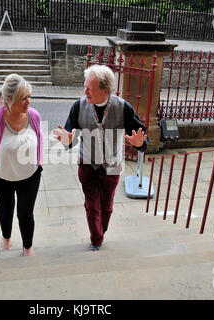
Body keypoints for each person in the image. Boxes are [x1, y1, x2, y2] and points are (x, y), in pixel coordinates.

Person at [54, 64, 148, 251]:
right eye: (85, 85)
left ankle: (100, 231)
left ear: (105, 90)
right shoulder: (78, 106)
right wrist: (67, 141)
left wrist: (139, 144)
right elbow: (69, 139)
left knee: (107, 207)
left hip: (112, 166)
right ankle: (96, 240)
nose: (85, 91)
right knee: (91, 206)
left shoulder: (123, 108)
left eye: (90, 88)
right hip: (87, 164)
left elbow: (142, 138)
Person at [0, 74, 44, 257]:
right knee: (6, 210)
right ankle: (6, 238)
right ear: (8, 99)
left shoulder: (34, 115)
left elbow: (40, 136)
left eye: (29, 96)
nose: (28, 102)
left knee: (25, 213)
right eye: (23, 98)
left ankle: (27, 247)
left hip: (30, 176)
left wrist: (40, 160)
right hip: (1, 178)